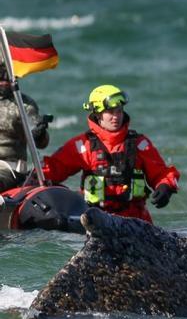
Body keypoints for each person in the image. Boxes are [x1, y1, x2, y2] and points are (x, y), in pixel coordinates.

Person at [42, 84, 179, 222]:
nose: (116, 116)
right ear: (97, 113)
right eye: (110, 112)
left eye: (119, 111)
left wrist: (165, 186)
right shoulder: (83, 145)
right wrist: (33, 178)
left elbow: (162, 173)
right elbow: (53, 169)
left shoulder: (139, 144)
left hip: (136, 222)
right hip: (96, 221)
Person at [0, 64, 51, 192]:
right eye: (1, 72)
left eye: (9, 73)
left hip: (9, 169)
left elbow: (41, 143)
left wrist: (39, 133)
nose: (4, 78)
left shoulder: (24, 105)